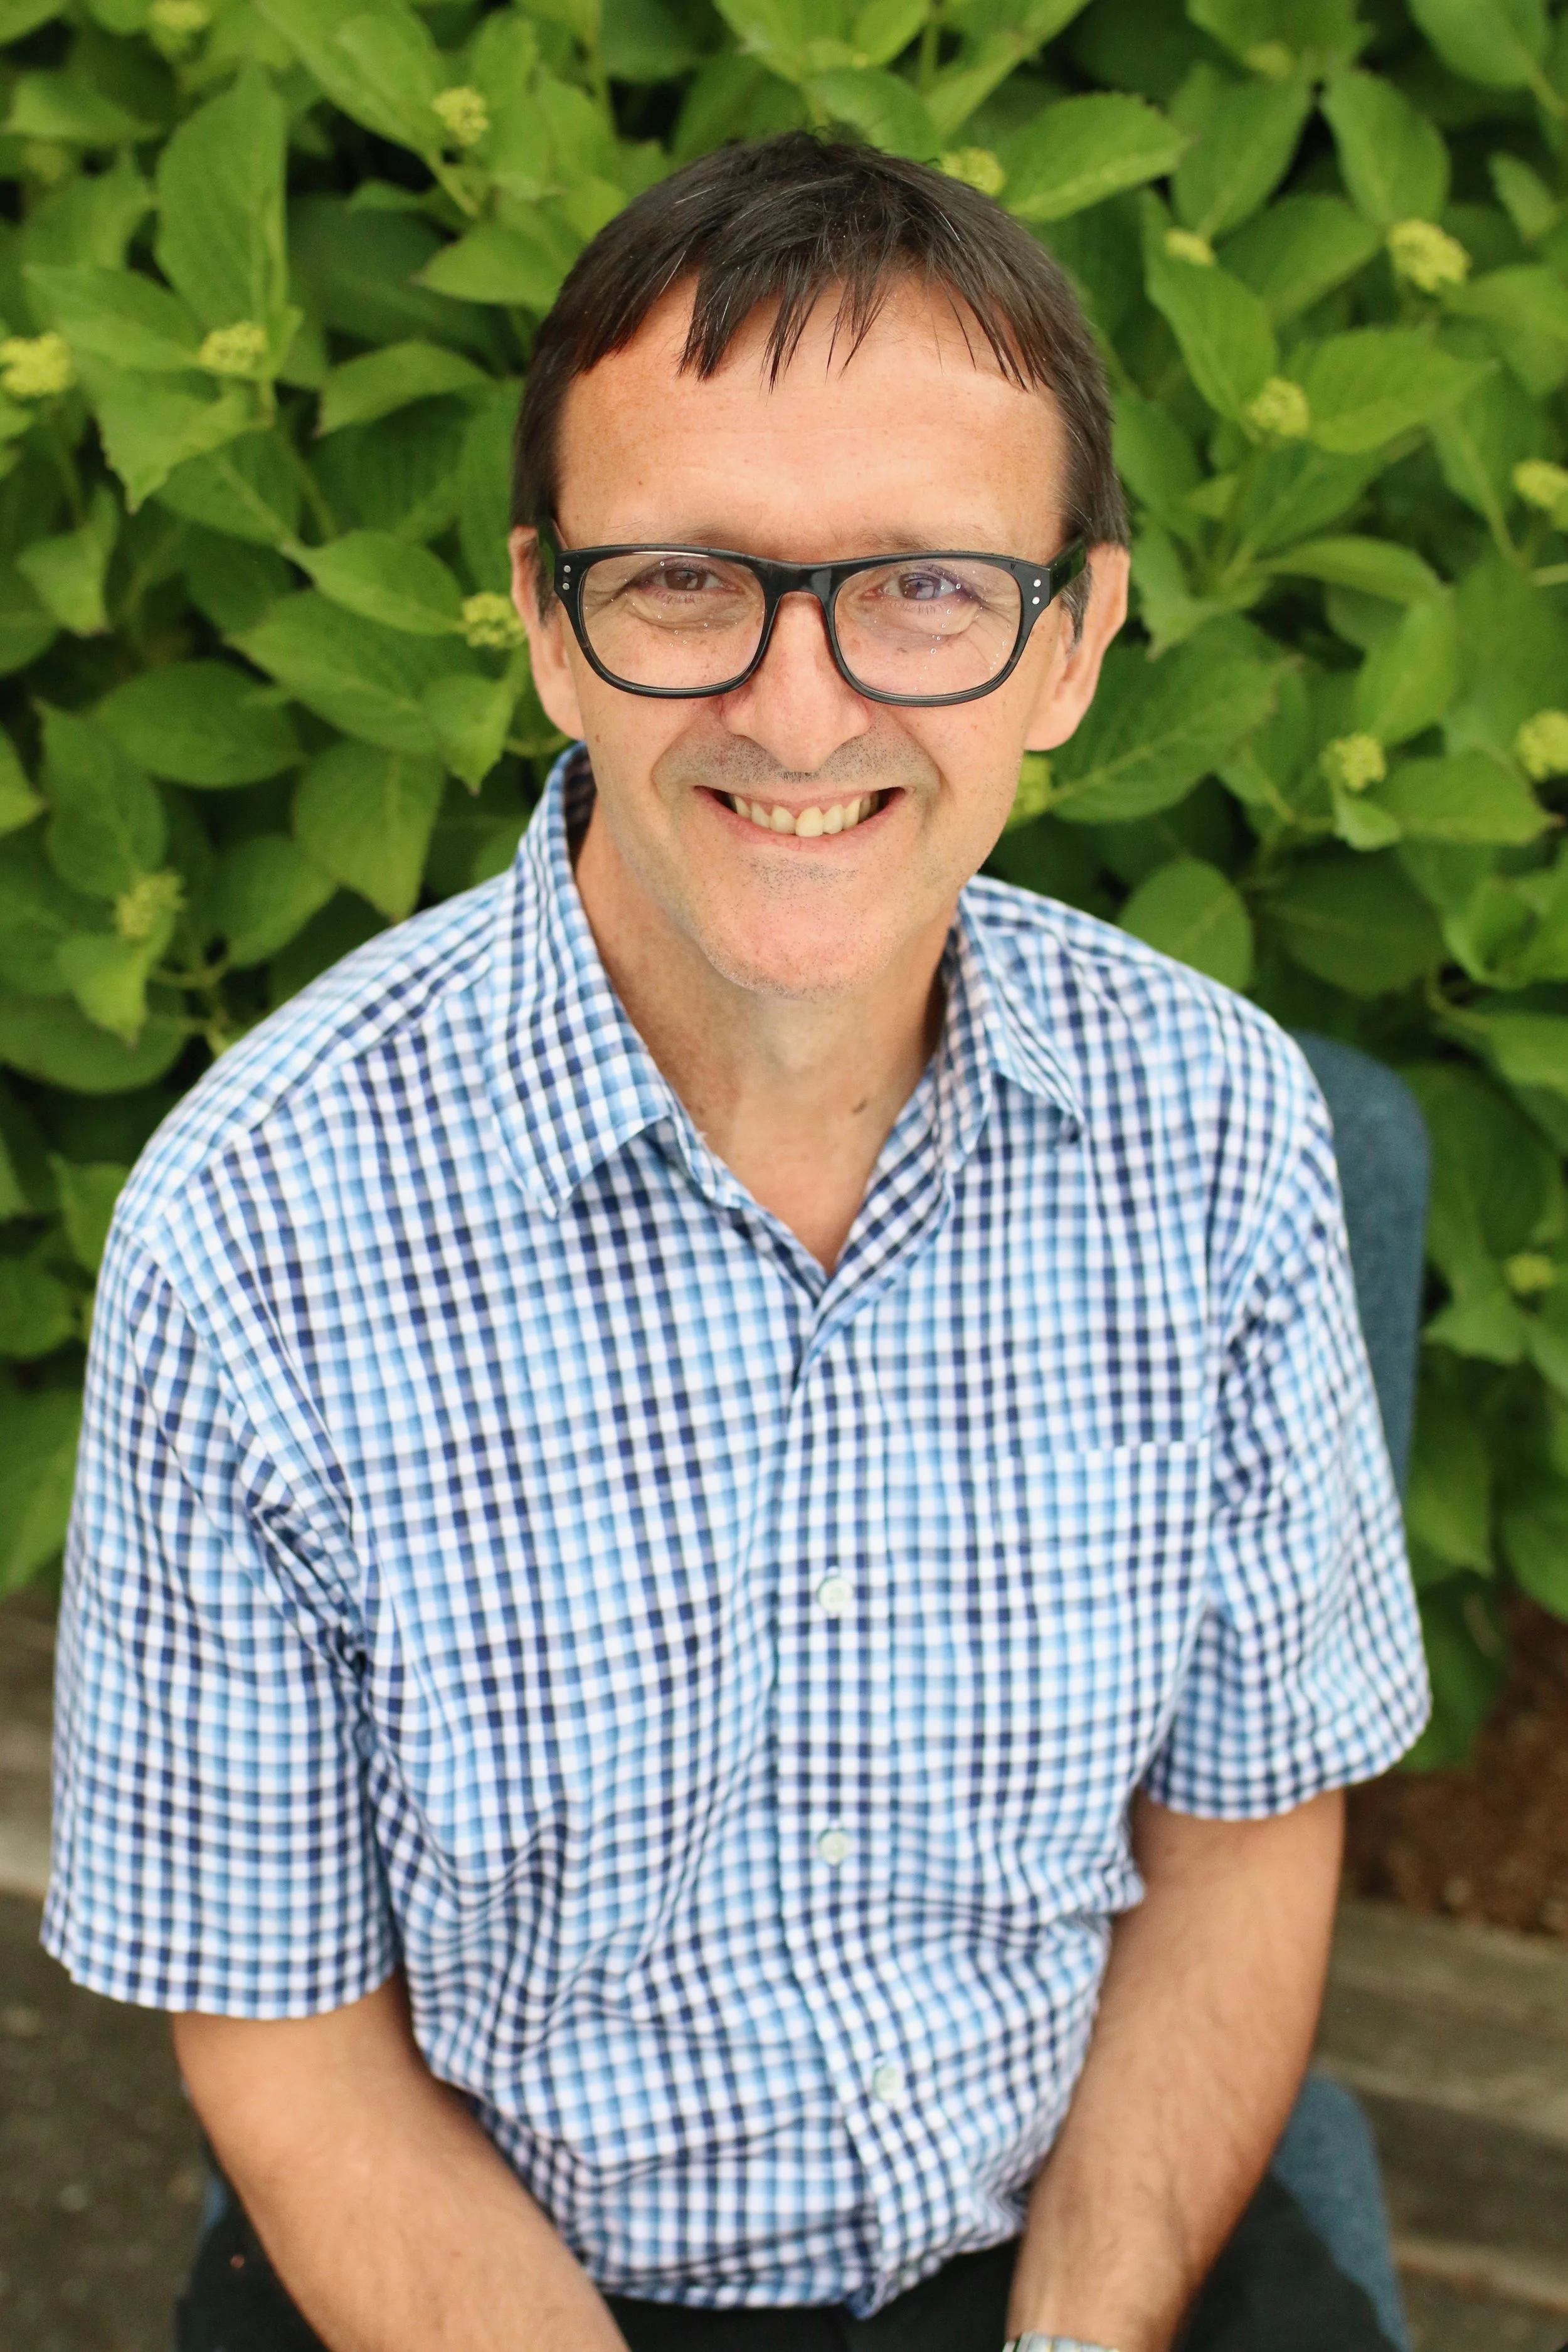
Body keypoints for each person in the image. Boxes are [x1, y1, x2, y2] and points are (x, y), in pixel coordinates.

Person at [45, 135, 1429, 2352]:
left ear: (1070, 644)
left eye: (928, 589)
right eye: (684, 581)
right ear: (542, 624)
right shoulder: (254, 1234)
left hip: (1086, 2232)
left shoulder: (1220, 1132)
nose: (800, 711)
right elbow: (289, 2044)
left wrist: (1081, 2331)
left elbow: (1245, 1830)